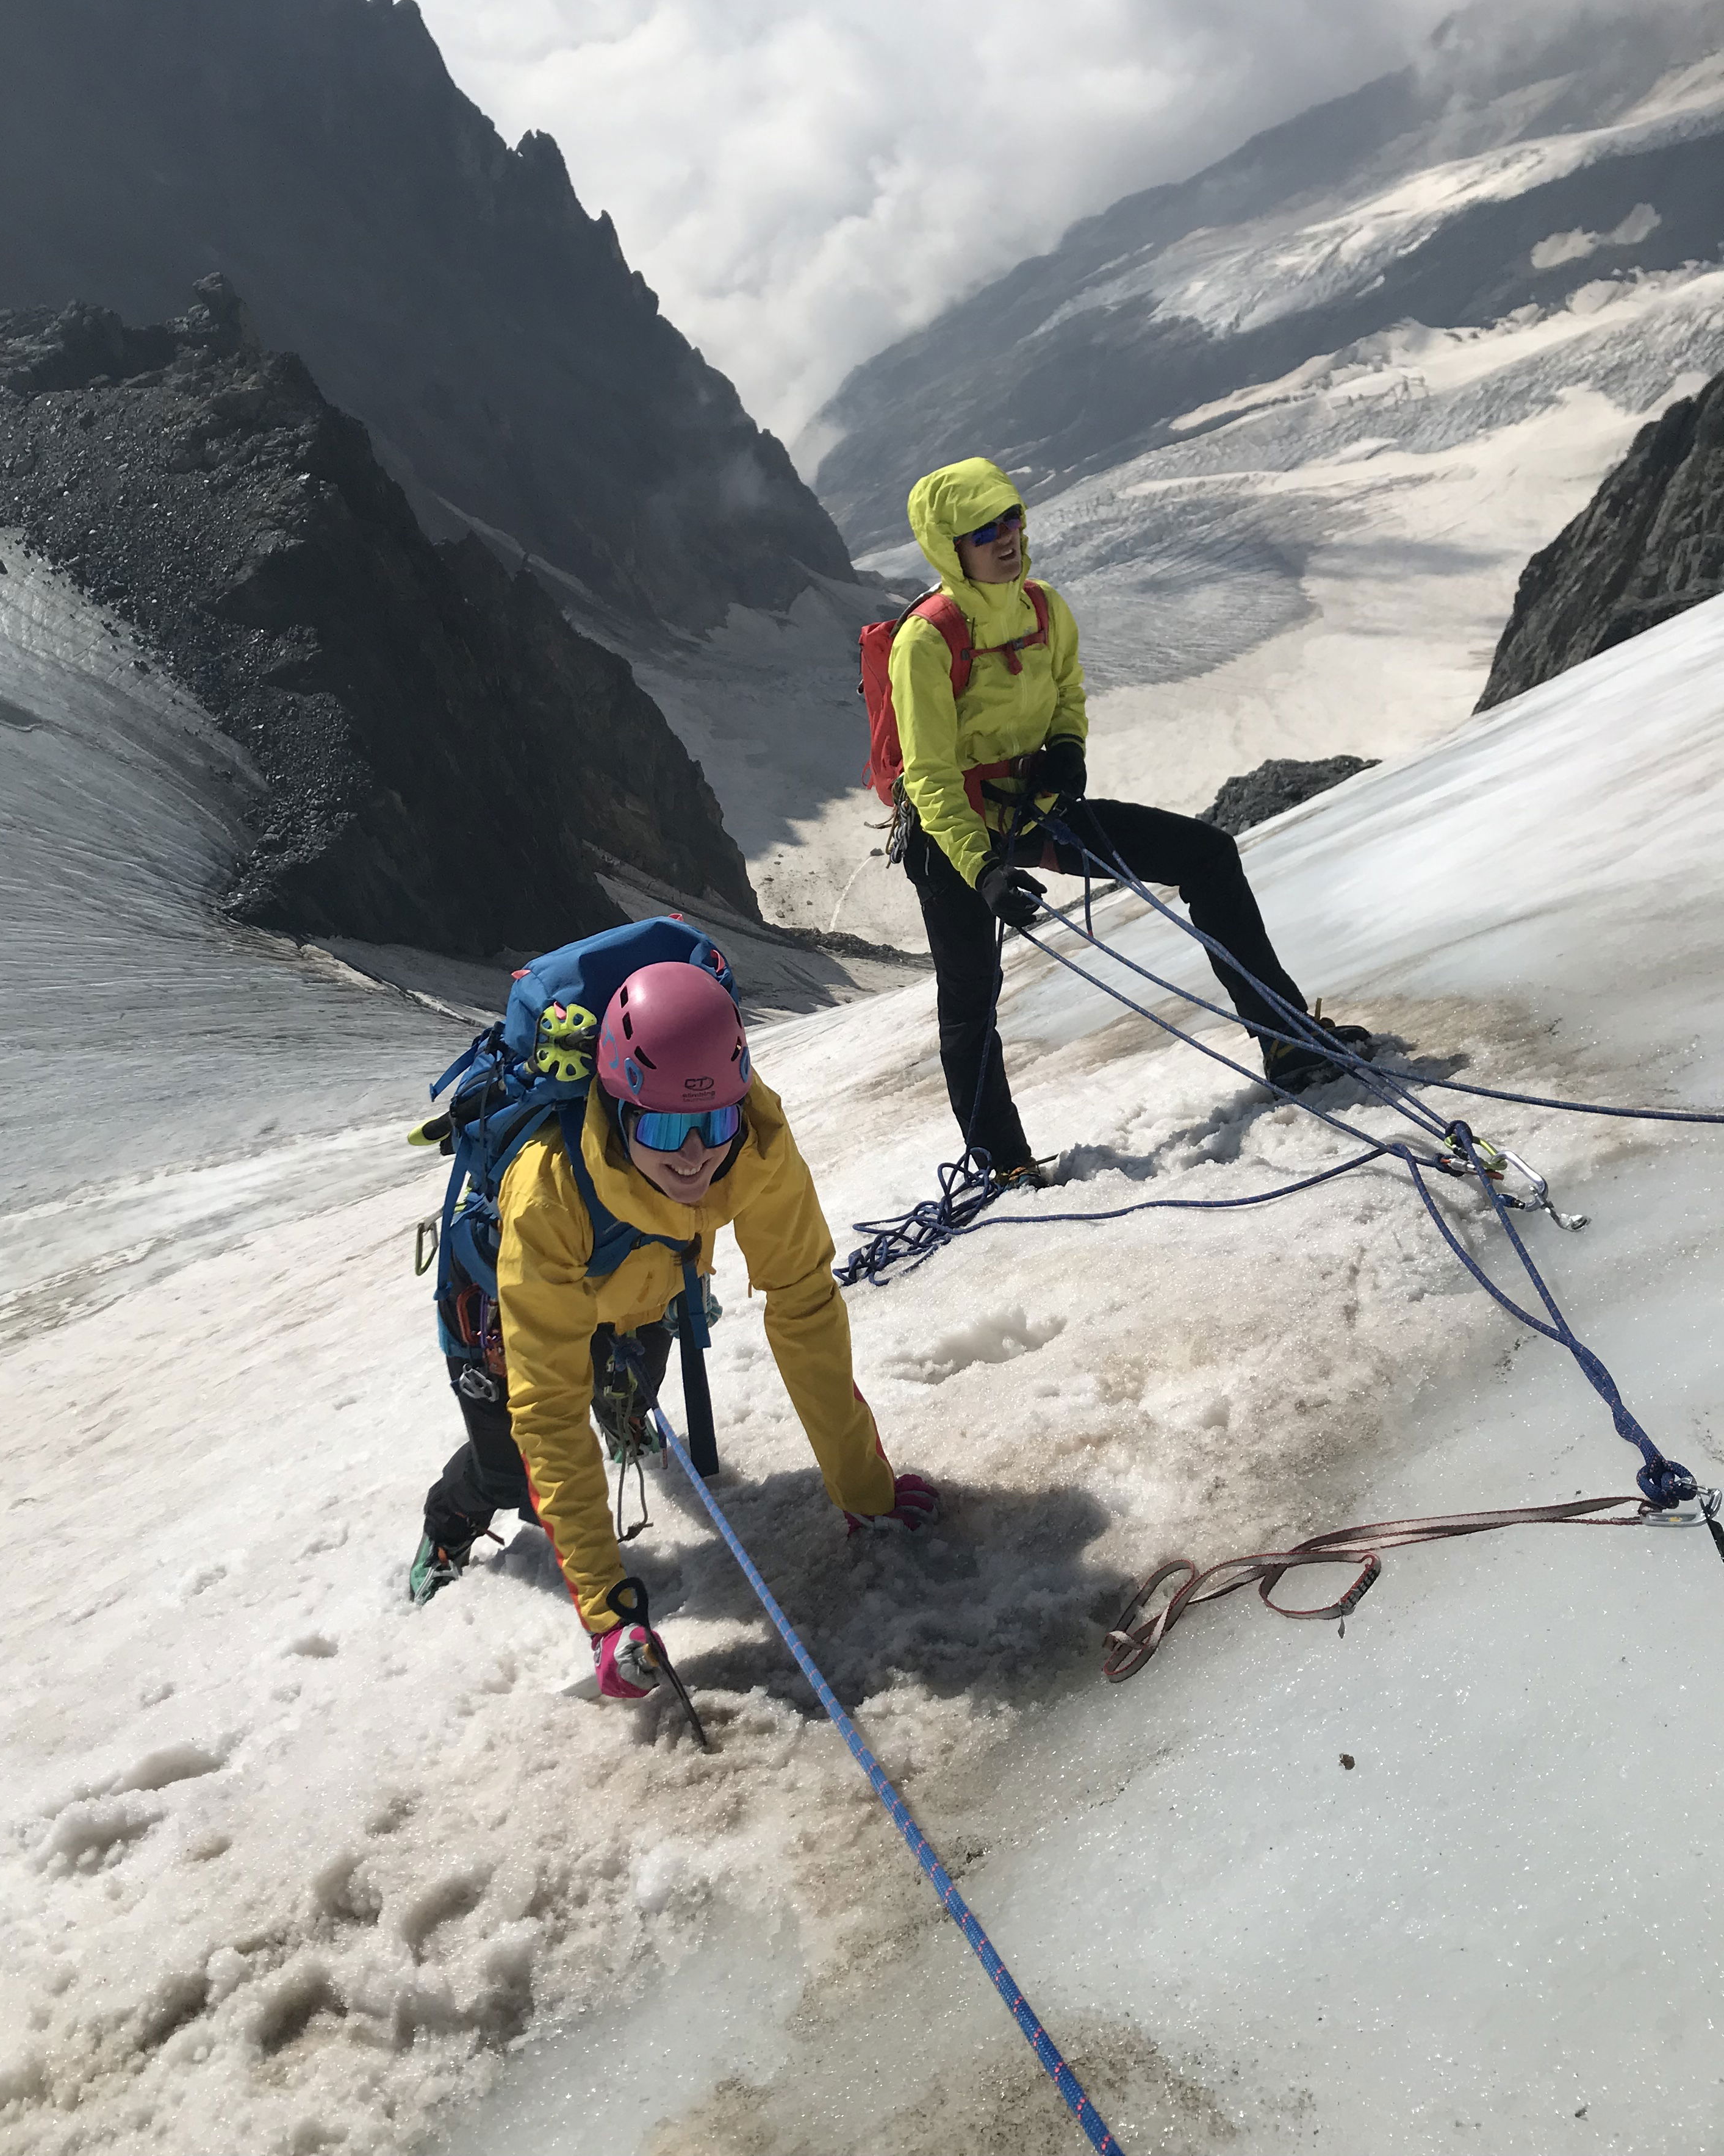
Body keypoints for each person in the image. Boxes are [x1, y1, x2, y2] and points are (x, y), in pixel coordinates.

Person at [408, 956, 936, 1700]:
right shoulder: (547, 1191)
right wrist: (608, 1614)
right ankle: (449, 1524)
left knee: (630, 1394)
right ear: (620, 1105)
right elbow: (548, 1412)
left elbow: (804, 1304)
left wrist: (864, 1489)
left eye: (714, 1120)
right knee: (509, 1472)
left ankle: (620, 1413)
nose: (695, 1155)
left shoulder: (755, 1139)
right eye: (663, 1125)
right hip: (498, 1307)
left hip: (643, 1292)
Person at [889, 456, 1368, 1180]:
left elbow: (1067, 692)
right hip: (949, 835)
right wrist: (983, 870)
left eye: (1012, 517)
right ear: (951, 548)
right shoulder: (925, 643)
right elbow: (928, 776)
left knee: (1206, 856)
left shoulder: (1042, 608)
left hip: (1033, 811)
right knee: (970, 1002)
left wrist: (1067, 750)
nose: (1007, 536)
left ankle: (1287, 1040)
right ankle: (1003, 1165)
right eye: (984, 530)